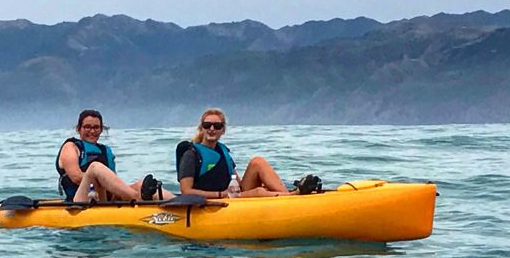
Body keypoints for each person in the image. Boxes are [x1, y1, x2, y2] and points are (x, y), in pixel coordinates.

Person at [176, 108, 321, 198]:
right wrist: (221, 194)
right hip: (215, 197)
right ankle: (292, 196)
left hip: (231, 195)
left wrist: (257, 188)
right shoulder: (191, 155)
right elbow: (186, 191)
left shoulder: (223, 151)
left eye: (217, 125)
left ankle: (288, 196)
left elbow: (236, 183)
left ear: (223, 130)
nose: (212, 129)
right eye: (207, 125)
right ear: (201, 128)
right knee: (258, 192)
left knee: (257, 162)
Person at [57, 109, 175, 203]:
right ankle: (138, 198)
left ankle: (179, 203)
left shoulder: (106, 151)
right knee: (95, 167)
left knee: (140, 184)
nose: (92, 131)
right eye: (87, 127)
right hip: (80, 200)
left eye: (96, 127)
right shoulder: (71, 147)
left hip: (105, 199)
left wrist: (117, 192)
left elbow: (113, 182)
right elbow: (76, 177)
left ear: (101, 129)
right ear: (79, 129)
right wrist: (103, 183)